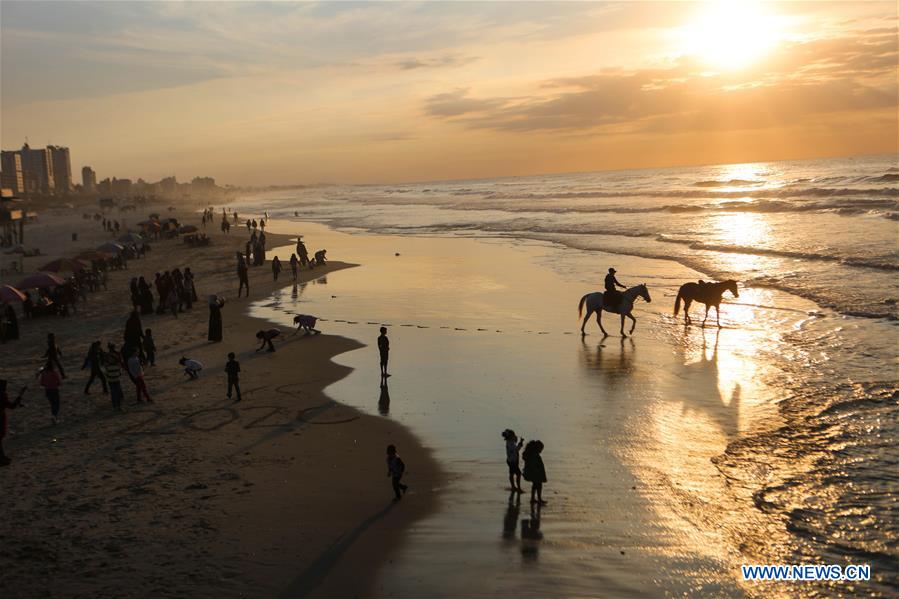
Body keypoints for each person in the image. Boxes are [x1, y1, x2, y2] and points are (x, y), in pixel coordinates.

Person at [0, 380, 25, 465]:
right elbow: (12, 406)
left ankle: (2, 457)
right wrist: (20, 396)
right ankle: (1, 459)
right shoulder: (2, 395)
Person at [522, 440, 547, 505]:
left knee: (535, 486)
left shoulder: (531, 454)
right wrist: (538, 473)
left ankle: (533, 498)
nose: (541, 451)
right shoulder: (534, 455)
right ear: (537, 448)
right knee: (538, 486)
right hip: (536, 474)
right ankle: (539, 499)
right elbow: (534, 466)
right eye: (541, 449)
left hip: (534, 474)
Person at [104, 344, 124, 411]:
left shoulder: (107, 357)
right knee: (116, 392)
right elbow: (120, 372)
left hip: (111, 380)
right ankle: (117, 406)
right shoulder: (116, 355)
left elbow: (106, 373)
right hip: (115, 379)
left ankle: (116, 406)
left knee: (114, 393)